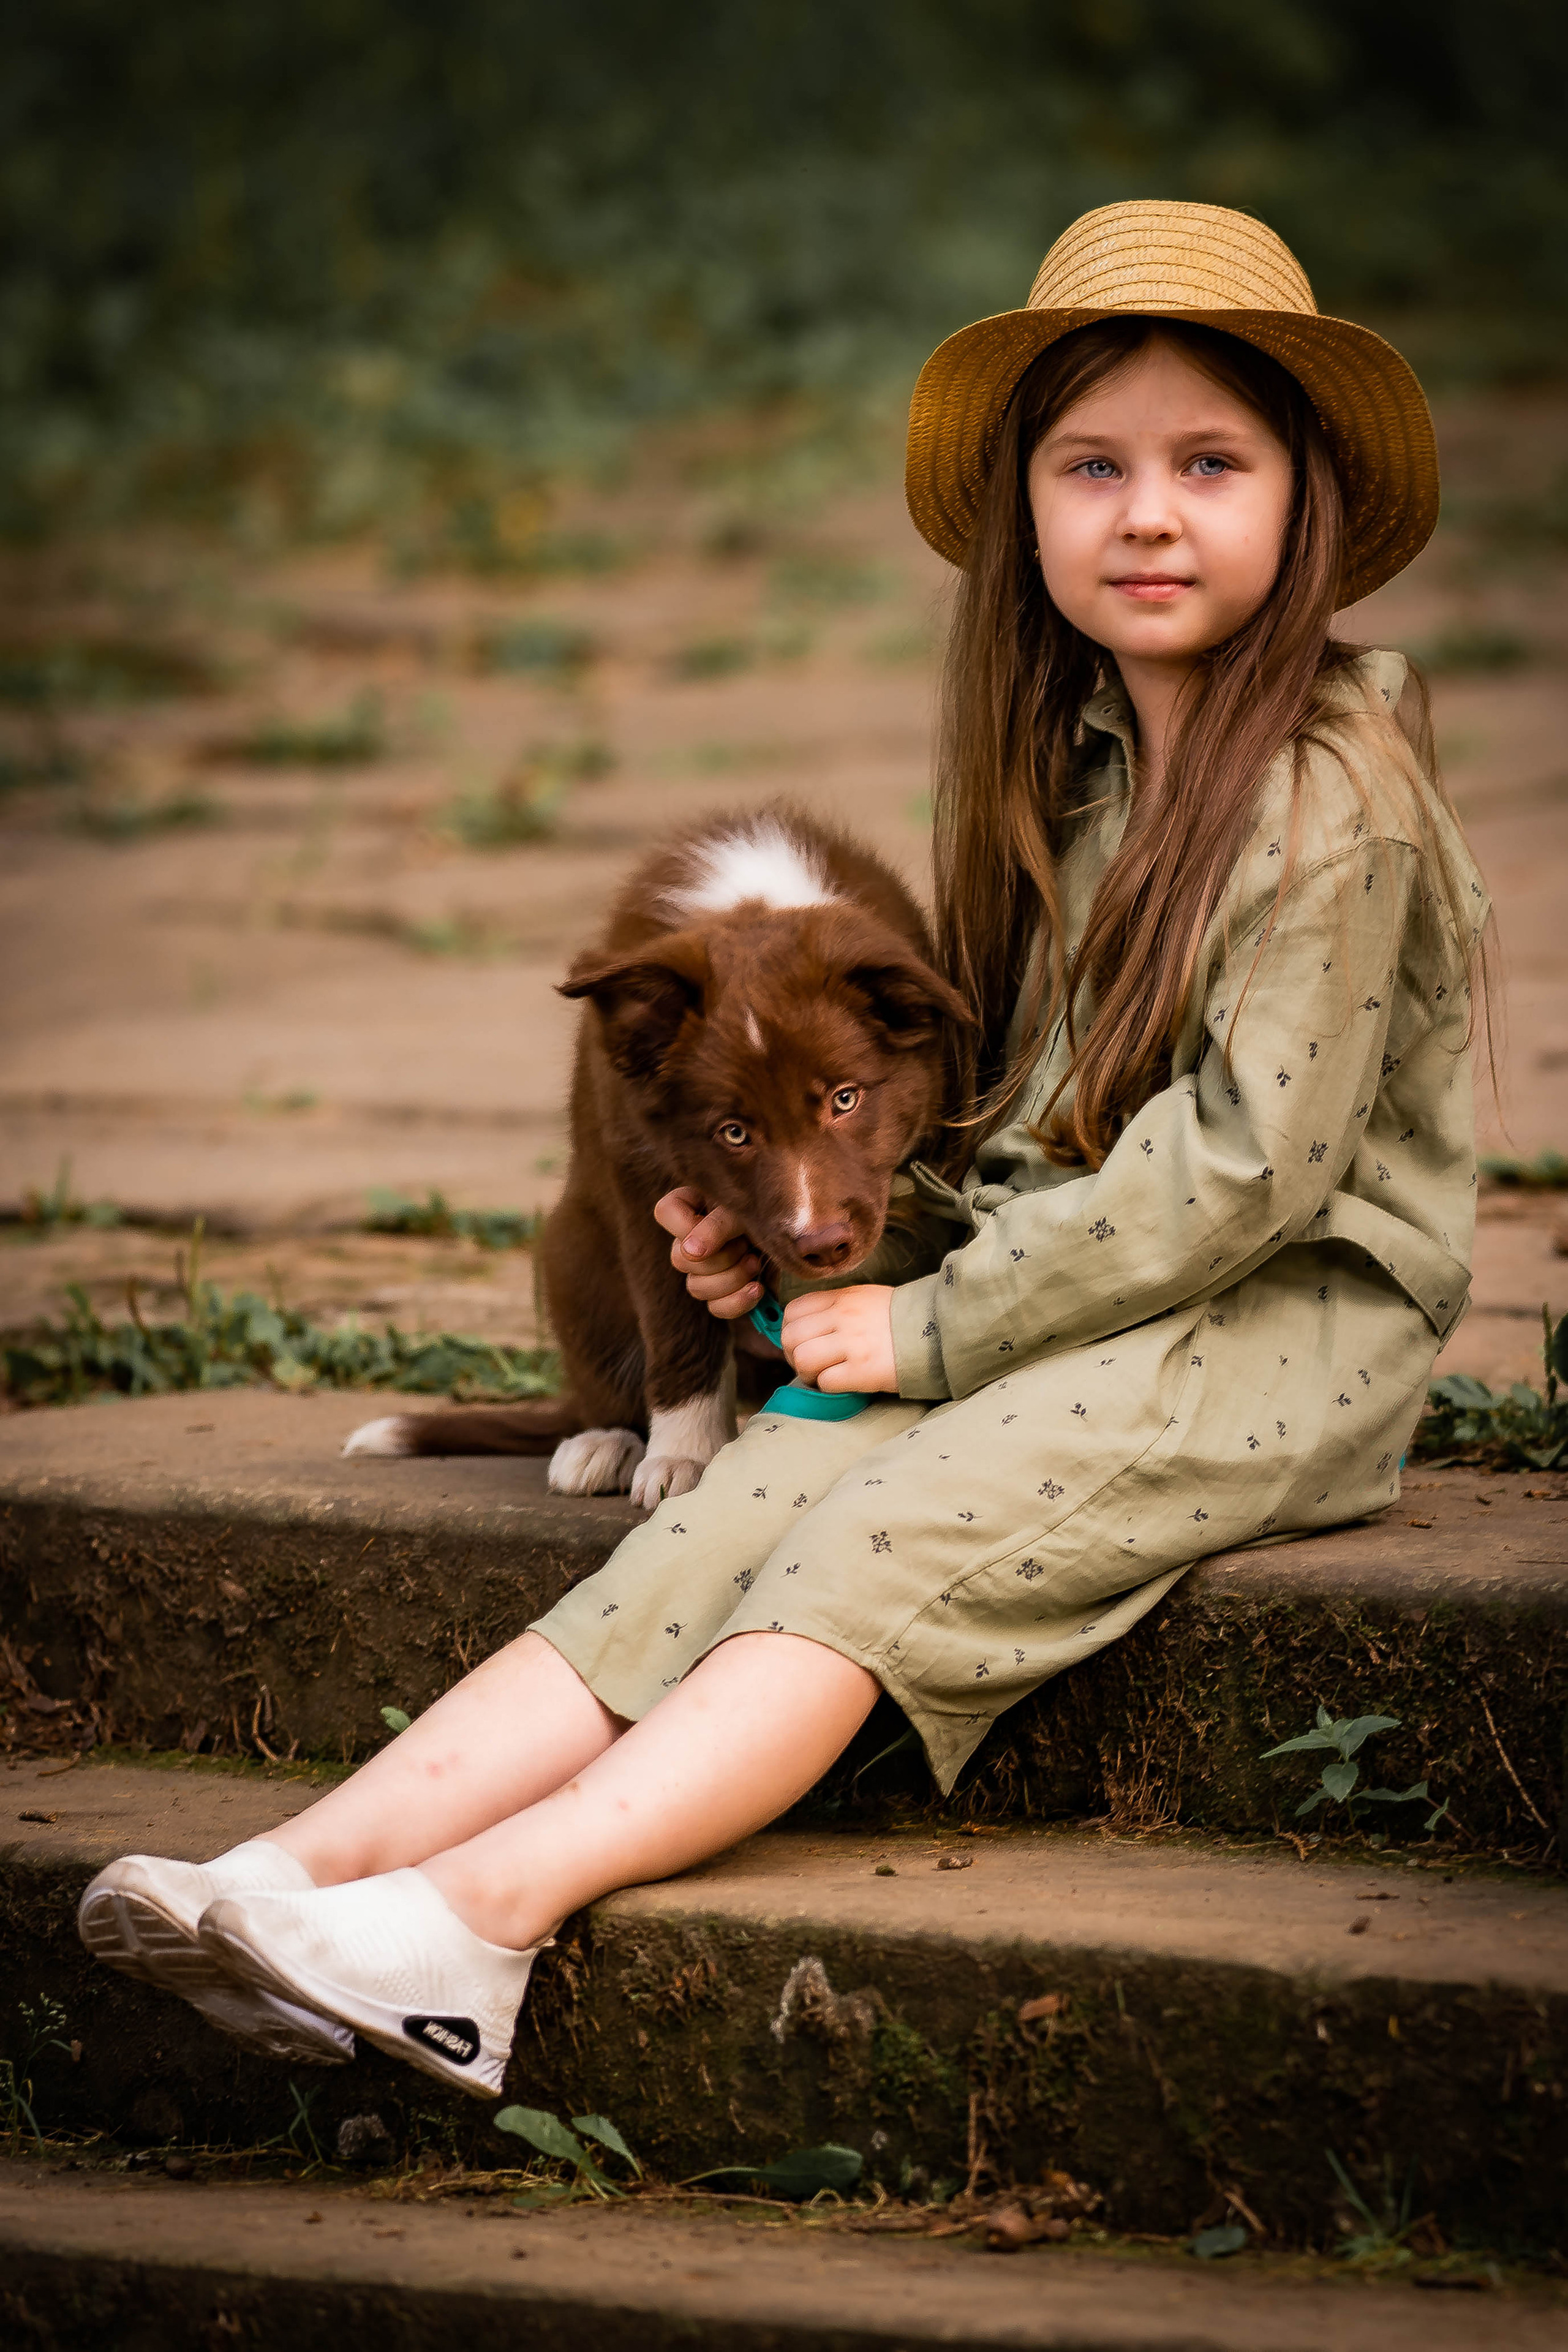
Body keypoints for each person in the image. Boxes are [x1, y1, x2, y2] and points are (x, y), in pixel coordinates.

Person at [77, 200, 1489, 2098]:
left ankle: (478, 1922)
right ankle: (290, 1873)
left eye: (1208, 464)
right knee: (747, 1488)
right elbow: (1023, 1147)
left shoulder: (1334, 799)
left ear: (1306, 502)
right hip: (1082, 1293)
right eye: (1095, 467)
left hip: (1280, 1328)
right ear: (1028, 519)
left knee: (877, 1528)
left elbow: (1241, 1177)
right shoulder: (1072, 777)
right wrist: (865, 1270)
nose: (1149, 513)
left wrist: (936, 1332)